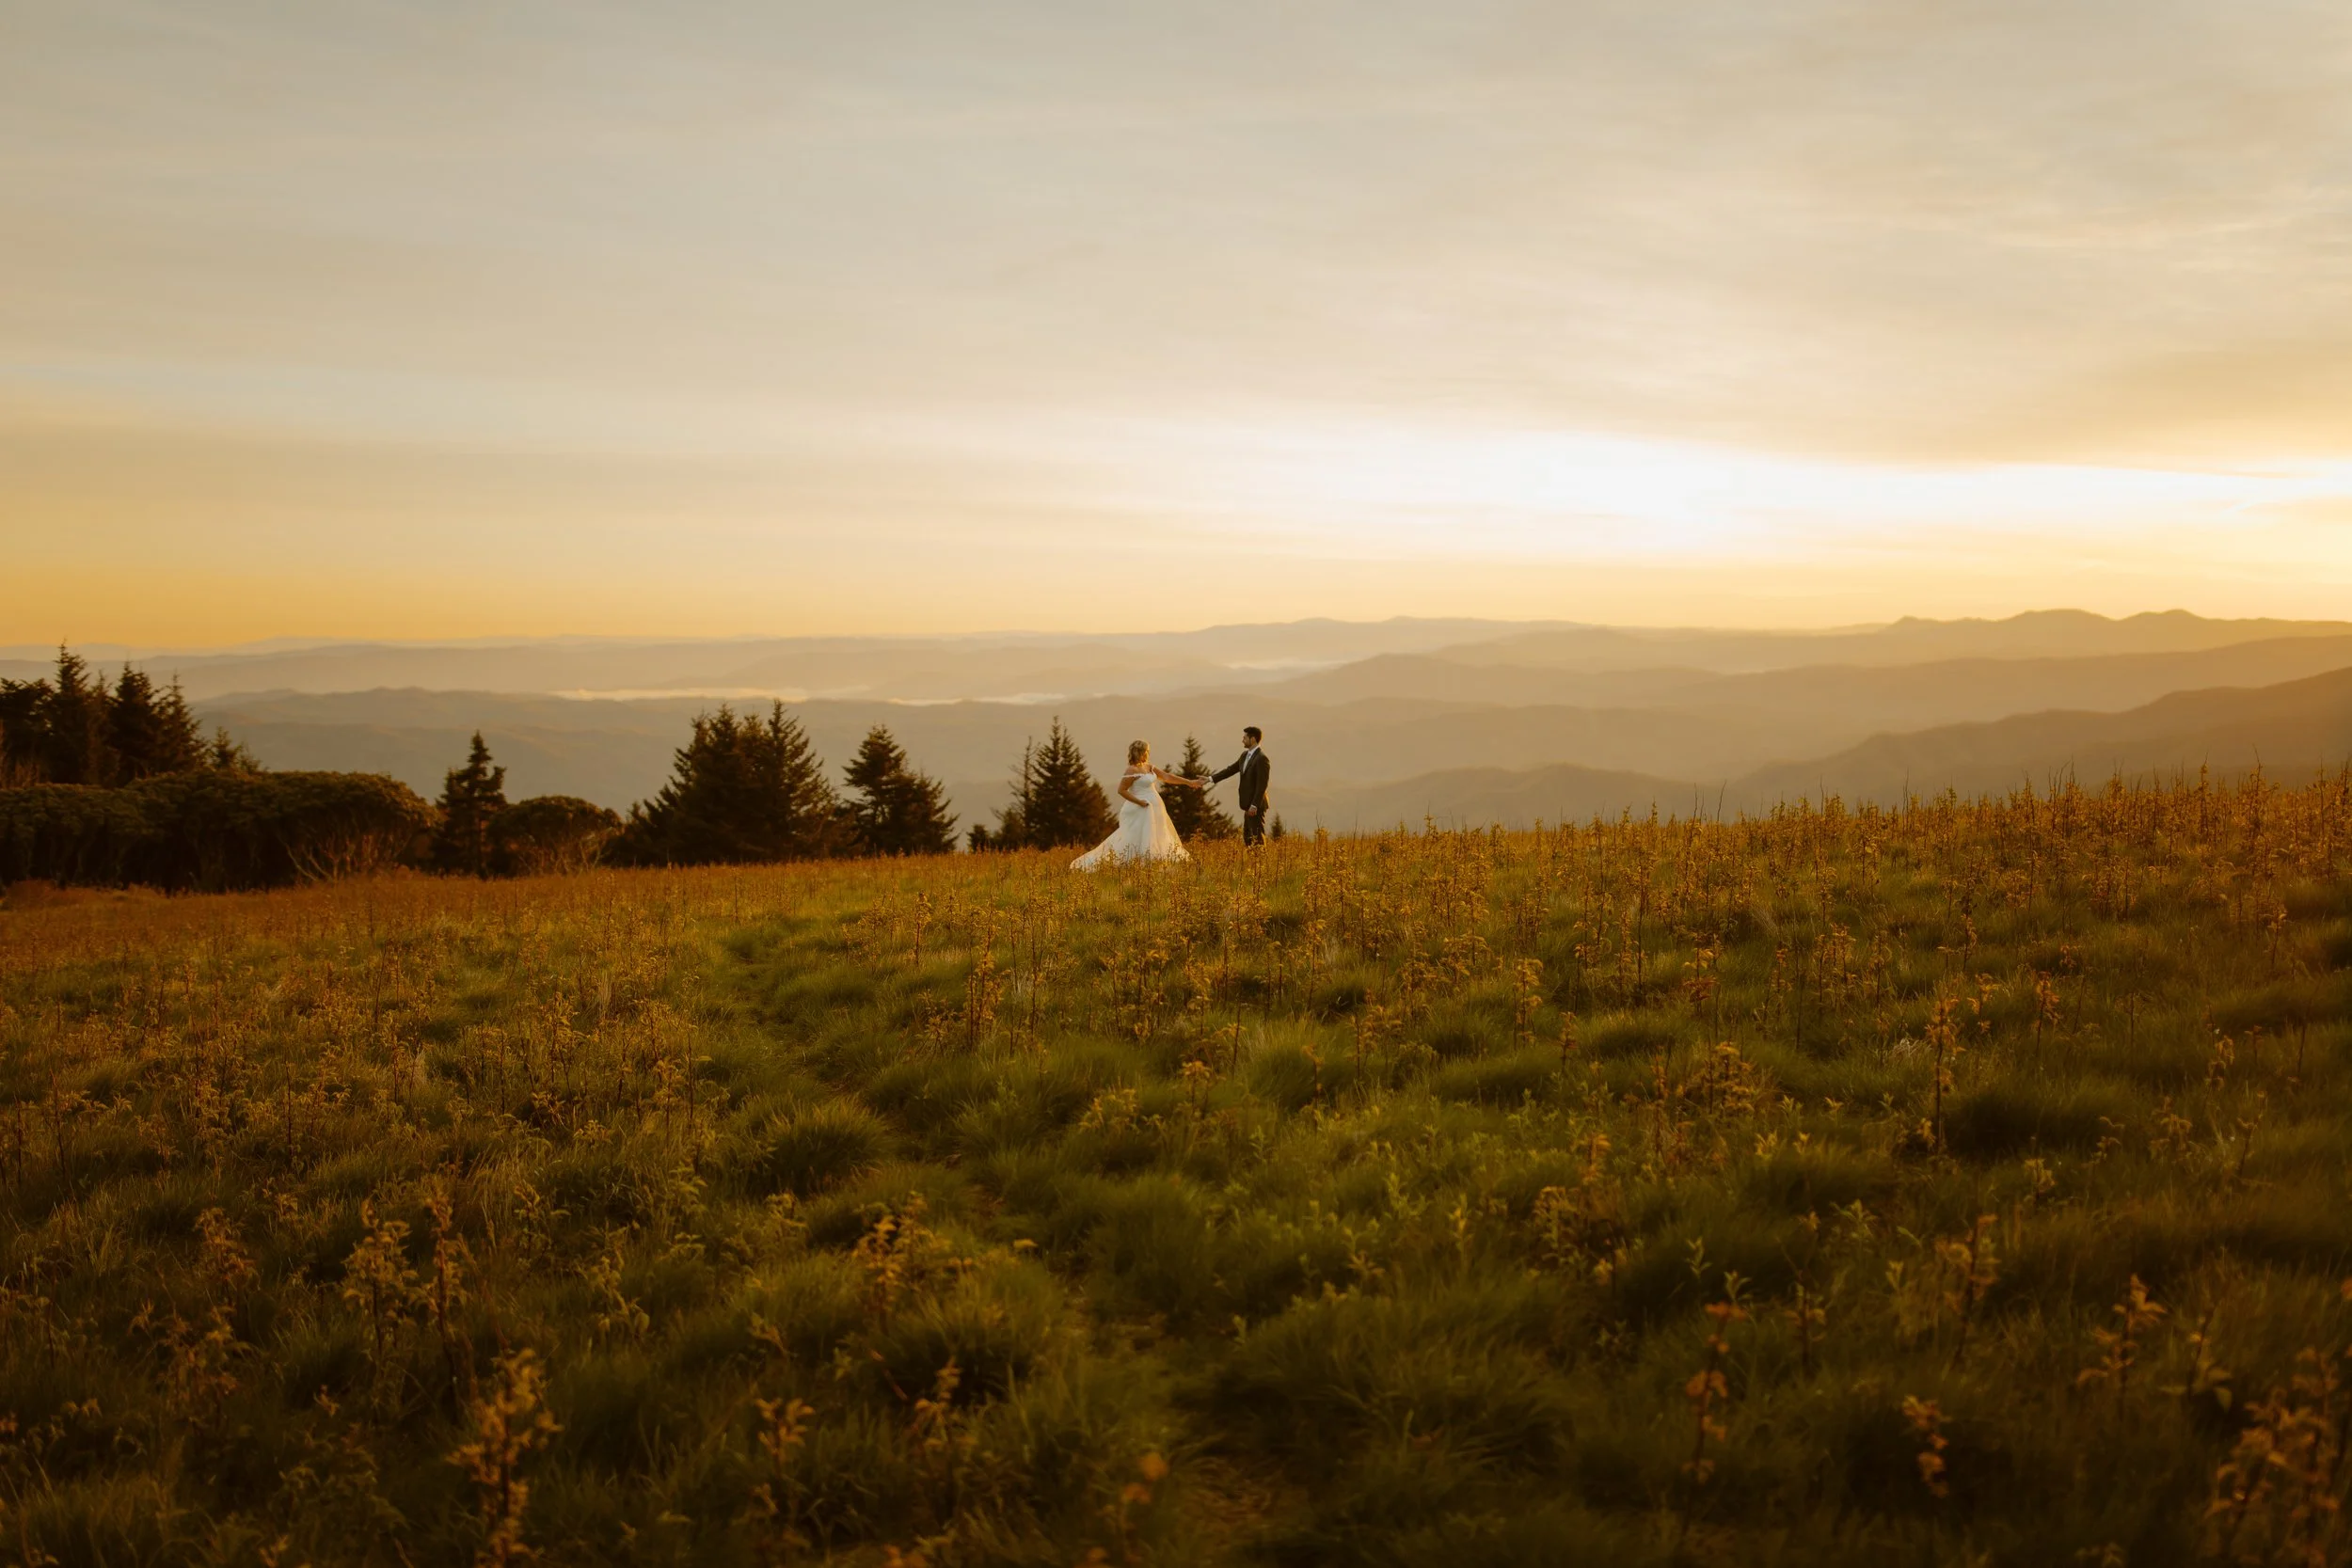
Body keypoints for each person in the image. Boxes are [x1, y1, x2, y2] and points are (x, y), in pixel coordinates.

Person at [1072, 740, 1204, 870]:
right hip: (1141, 807)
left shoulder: (1149, 767)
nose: (1148, 753)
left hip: (1156, 806)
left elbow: (1168, 777)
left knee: (1158, 833)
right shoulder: (1131, 770)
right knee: (1137, 836)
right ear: (1141, 752)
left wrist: (1189, 782)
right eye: (1147, 751)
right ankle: (1137, 862)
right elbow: (1121, 790)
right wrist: (1139, 802)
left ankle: (1155, 861)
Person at [1208, 726, 1272, 847]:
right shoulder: (1244, 756)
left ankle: (1261, 863)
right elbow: (1230, 770)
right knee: (1248, 836)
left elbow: (1262, 785)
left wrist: (1254, 805)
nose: (1242, 740)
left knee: (1257, 836)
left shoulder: (1262, 759)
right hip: (1248, 804)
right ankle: (1253, 863)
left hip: (1256, 805)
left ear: (1252, 739)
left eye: (1244, 738)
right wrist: (1210, 779)